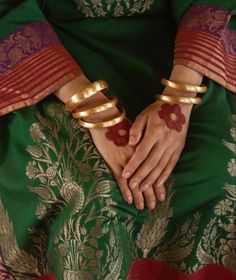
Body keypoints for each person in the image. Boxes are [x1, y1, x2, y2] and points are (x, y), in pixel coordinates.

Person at [0, 0, 235, 279]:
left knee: (218, 169)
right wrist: (93, 111)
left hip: (183, 50)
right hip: (47, 58)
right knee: (91, 189)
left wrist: (179, 99)